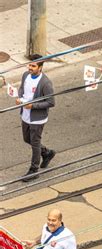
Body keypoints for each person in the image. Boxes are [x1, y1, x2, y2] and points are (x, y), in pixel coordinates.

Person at [16, 54, 56, 182]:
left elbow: (51, 102)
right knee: (27, 139)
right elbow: (22, 88)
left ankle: (34, 170)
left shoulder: (45, 83)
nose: (30, 68)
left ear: (40, 67)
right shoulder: (25, 75)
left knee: (35, 143)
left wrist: (33, 106)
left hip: (37, 119)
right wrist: (20, 98)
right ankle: (46, 153)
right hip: (25, 115)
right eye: (29, 65)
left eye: (33, 66)